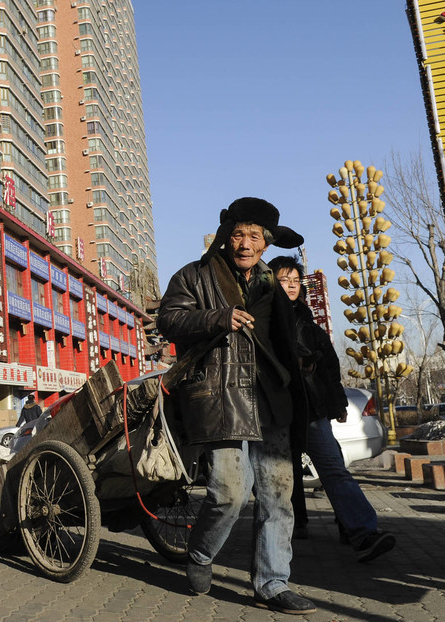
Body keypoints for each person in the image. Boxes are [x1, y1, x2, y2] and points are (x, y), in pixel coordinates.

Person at [158, 197, 316, 615]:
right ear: (227, 237)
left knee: (278, 495)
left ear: (266, 244)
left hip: (269, 399)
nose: (246, 243)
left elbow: (283, 333)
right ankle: (200, 553)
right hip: (221, 396)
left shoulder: (271, 282)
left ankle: (272, 583)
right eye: (239, 234)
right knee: (229, 490)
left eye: (255, 236)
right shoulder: (193, 275)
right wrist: (216, 318)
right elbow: (168, 319)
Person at [268, 255, 397, 563]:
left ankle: (363, 534)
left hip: (311, 413)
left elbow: (329, 367)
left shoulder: (309, 325)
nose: (290, 286)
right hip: (276, 413)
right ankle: (277, 546)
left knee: (334, 471)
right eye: (283, 280)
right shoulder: (263, 319)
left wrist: (337, 403)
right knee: (277, 480)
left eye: (295, 281)